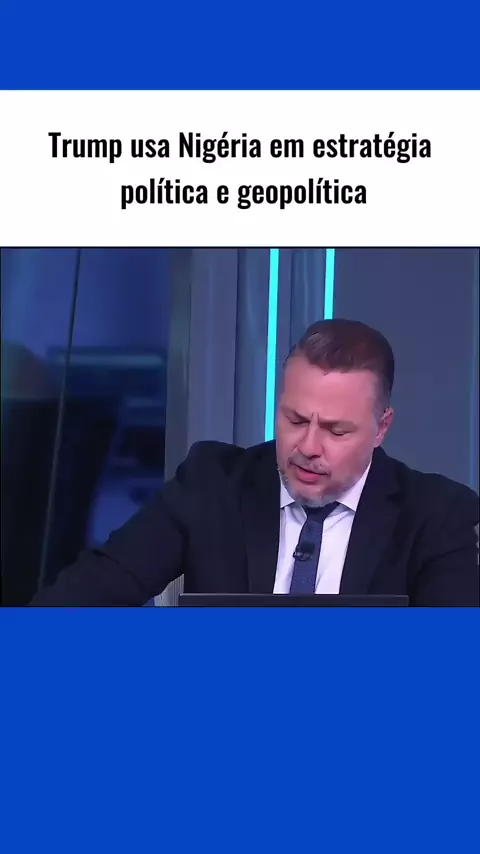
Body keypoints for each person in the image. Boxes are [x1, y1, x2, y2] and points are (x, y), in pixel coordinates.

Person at [30, 319, 479, 607]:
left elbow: (454, 668)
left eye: (336, 431)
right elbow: (84, 597)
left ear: (381, 428)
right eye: (295, 419)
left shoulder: (436, 516)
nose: (308, 446)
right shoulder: (212, 484)